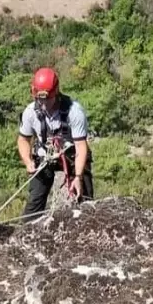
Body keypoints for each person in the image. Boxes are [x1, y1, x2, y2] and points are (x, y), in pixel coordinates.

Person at [17, 67, 94, 220]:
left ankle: (88, 220)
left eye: (47, 98)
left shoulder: (74, 111)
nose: (43, 103)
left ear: (56, 93)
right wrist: (28, 161)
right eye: (40, 99)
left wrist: (77, 177)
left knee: (83, 197)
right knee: (35, 201)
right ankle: (28, 230)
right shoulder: (30, 112)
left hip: (72, 155)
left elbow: (81, 146)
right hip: (46, 155)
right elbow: (23, 139)